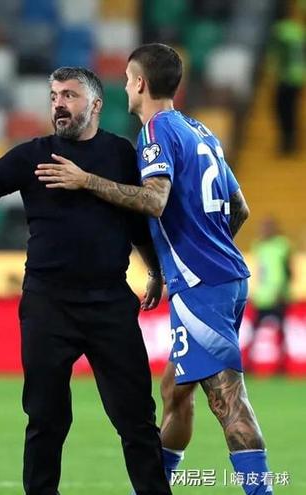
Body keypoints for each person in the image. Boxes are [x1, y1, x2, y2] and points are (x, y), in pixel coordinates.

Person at [0, 66, 170, 495]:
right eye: (54, 96)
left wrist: (154, 269)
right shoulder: (32, 155)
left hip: (110, 303)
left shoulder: (121, 154)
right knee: (45, 420)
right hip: (48, 305)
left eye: (69, 95)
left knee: (136, 420)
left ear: (95, 104)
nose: (58, 104)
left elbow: (136, 222)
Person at [35, 44, 273, 494]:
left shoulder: (157, 130)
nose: (125, 87)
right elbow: (239, 207)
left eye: (128, 79)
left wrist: (86, 181)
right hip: (222, 276)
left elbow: (154, 200)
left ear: (140, 83)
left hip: (203, 284)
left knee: (229, 402)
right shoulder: (199, 130)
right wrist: (203, 247)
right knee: (174, 393)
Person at [250, 217, 292, 362]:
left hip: (278, 294)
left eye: (267, 227)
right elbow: (259, 270)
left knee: (282, 329)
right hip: (262, 295)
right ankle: (249, 360)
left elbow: (288, 271)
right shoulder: (258, 246)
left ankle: (283, 360)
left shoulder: (282, 245)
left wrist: (283, 290)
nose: (264, 230)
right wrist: (255, 291)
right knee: (255, 329)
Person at [269, 0, 306, 155]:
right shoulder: (299, 30)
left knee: (283, 109)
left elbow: (280, 53)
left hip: (286, 76)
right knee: (289, 109)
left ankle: (287, 142)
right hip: (298, 75)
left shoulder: (282, 30)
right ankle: (291, 141)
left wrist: (274, 70)